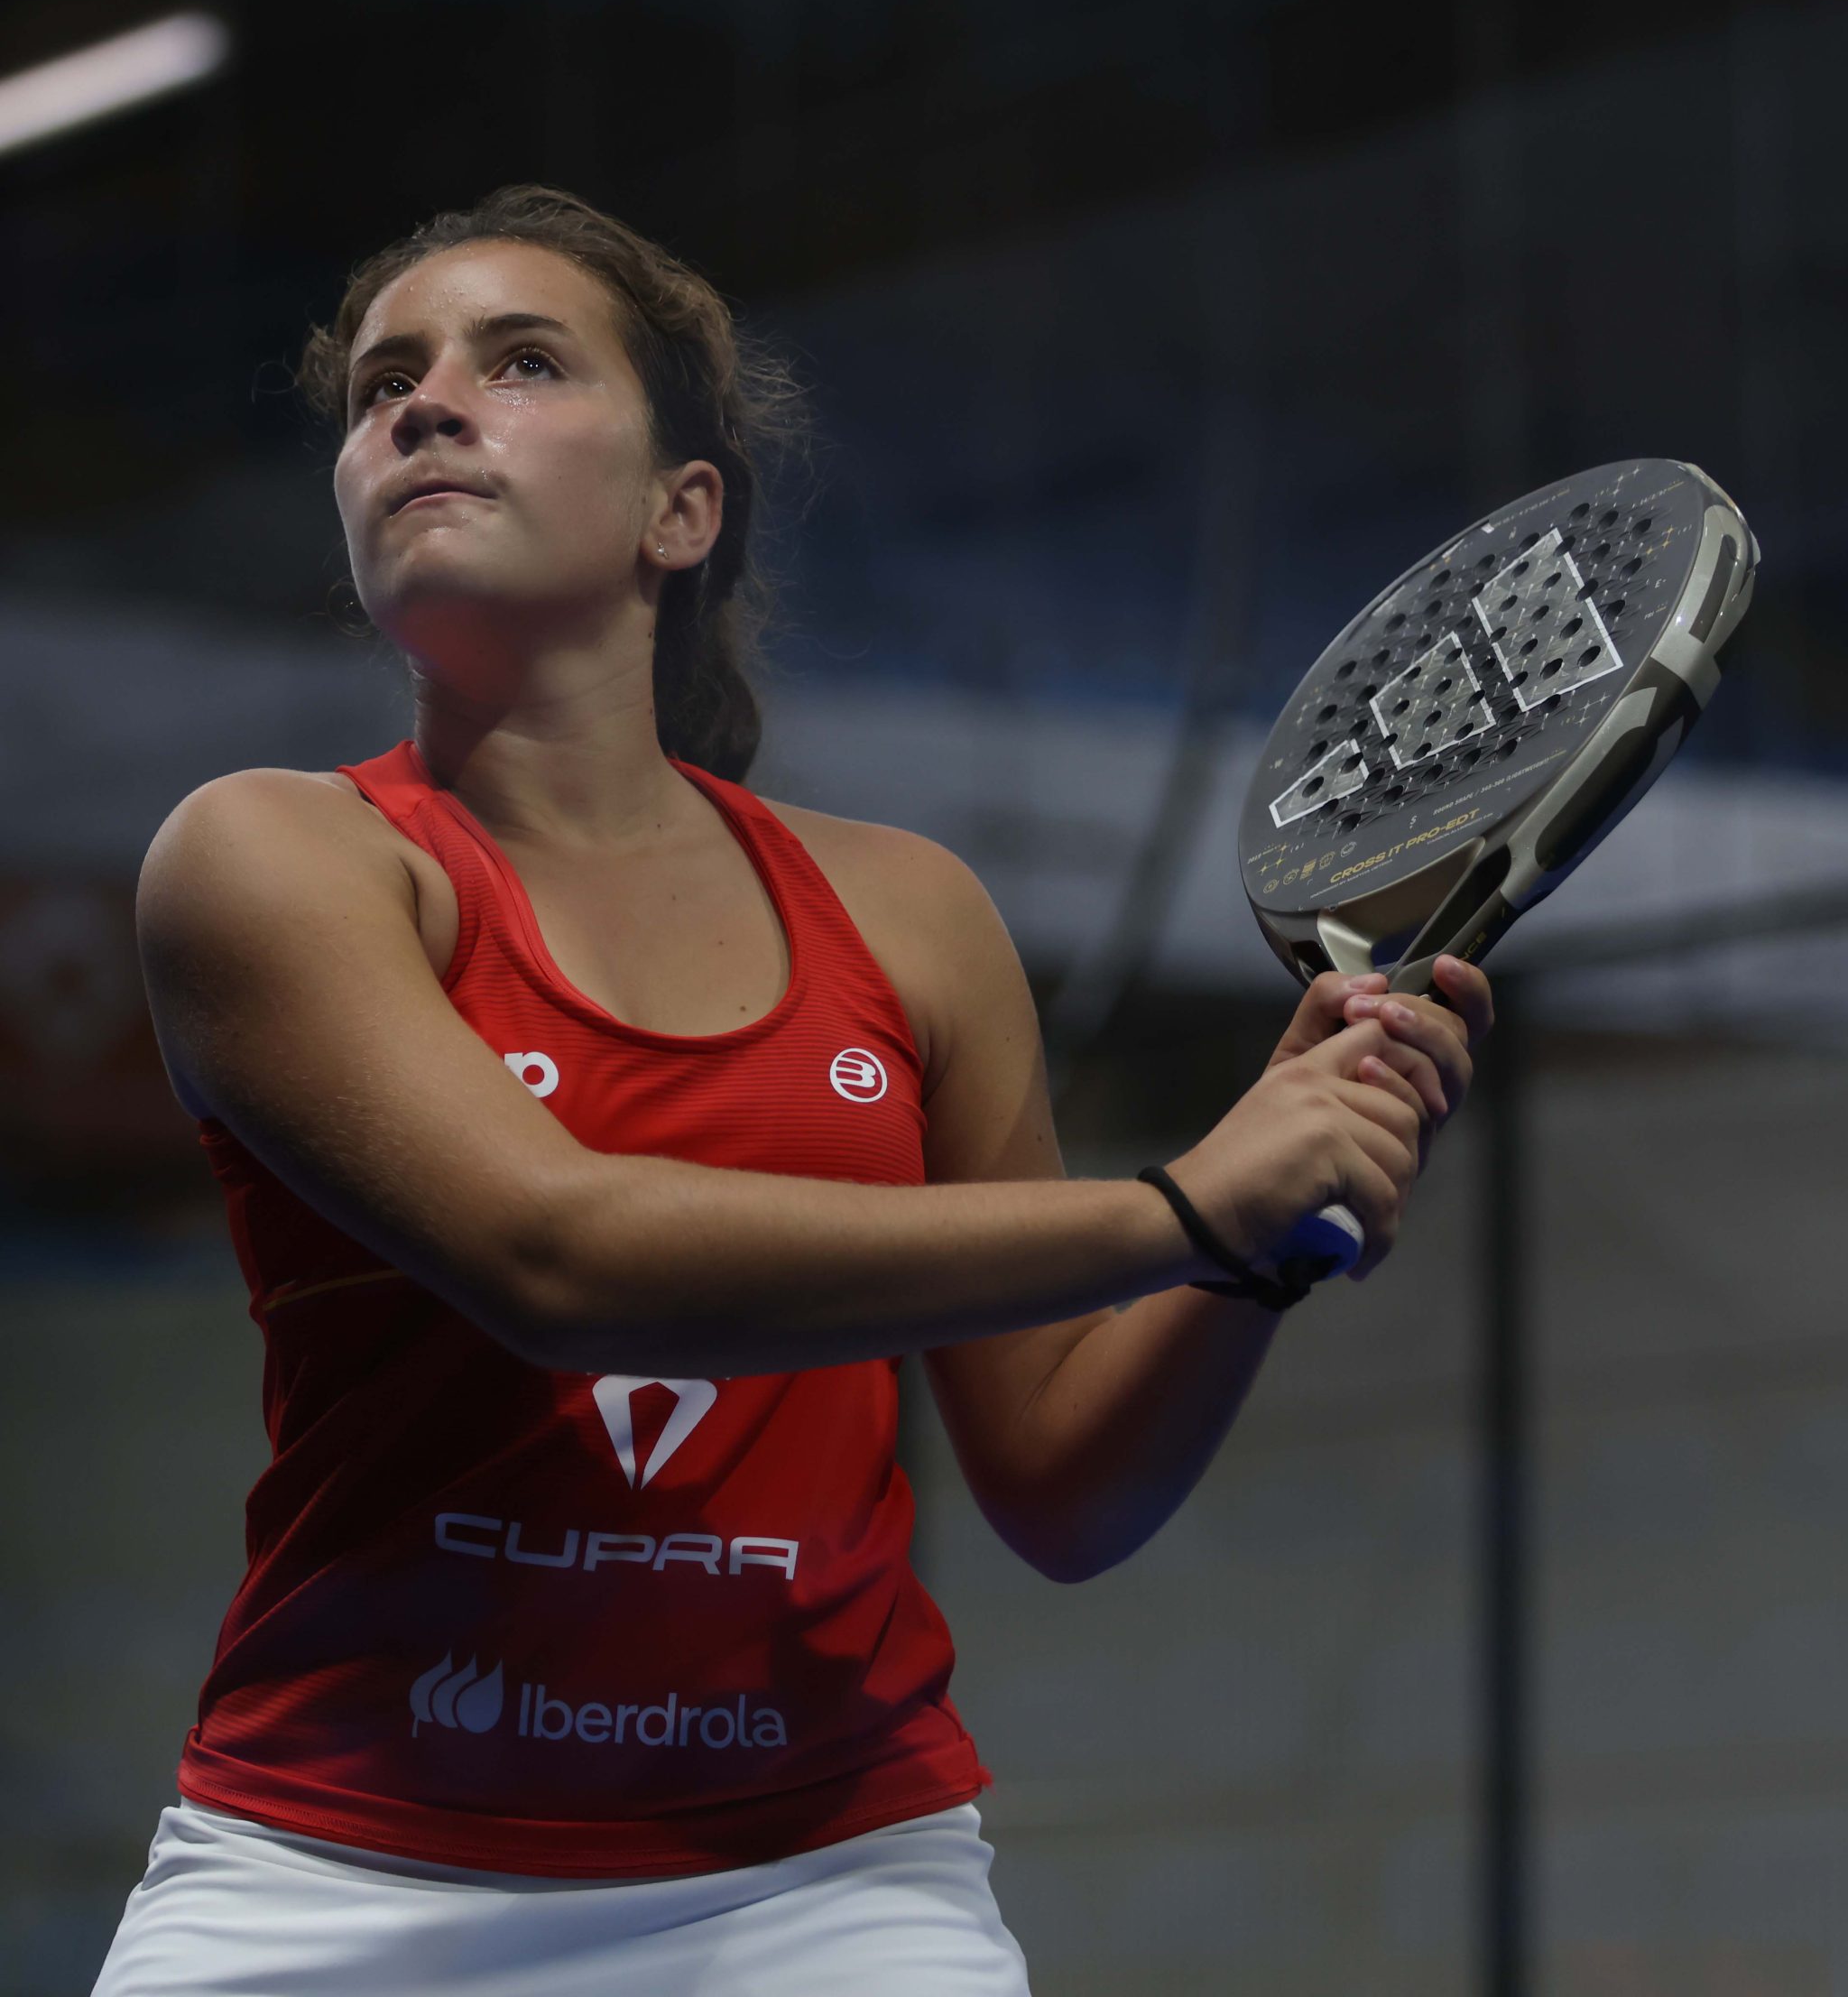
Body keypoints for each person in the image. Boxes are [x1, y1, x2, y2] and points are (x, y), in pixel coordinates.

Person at [94, 186, 1491, 1996]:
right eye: (383, 386)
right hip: (331, 1874)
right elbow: (558, 1256)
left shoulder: (911, 914)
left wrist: (1261, 1239)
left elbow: (1064, 1490)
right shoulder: (268, 857)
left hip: (826, 1887)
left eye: (521, 363)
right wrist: (1180, 1206)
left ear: (681, 511)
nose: (423, 405)